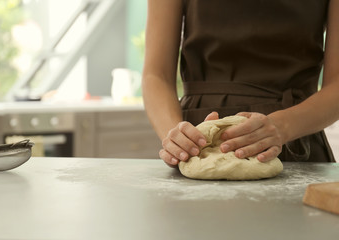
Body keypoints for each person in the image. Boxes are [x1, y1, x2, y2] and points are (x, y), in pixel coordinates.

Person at [142, 0, 339, 167]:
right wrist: (176, 137)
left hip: (292, 142)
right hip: (199, 145)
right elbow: (156, 75)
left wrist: (282, 126)